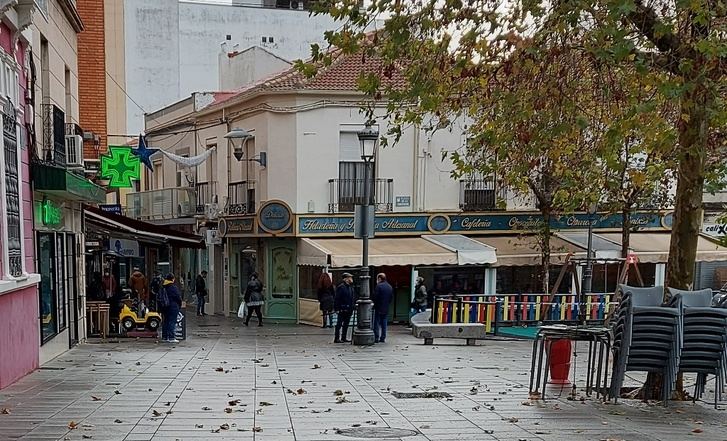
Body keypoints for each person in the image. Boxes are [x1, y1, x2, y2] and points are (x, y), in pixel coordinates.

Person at [160, 274, 182, 343]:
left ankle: (165, 337)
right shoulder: (173, 287)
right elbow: (178, 297)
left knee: (165, 321)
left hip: (164, 307)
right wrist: (179, 305)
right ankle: (171, 337)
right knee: (172, 321)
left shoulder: (163, 286)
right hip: (173, 306)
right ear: (172, 279)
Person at [372, 273, 393, 343]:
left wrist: (374, 304)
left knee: (377, 322)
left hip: (378, 307)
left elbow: (375, 297)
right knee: (384, 323)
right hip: (386, 307)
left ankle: (376, 337)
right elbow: (391, 298)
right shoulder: (389, 286)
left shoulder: (379, 286)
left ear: (379, 279)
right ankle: (383, 337)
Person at [334, 273, 355, 343]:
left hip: (349, 309)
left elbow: (352, 298)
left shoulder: (350, 287)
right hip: (342, 309)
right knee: (339, 324)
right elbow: (337, 299)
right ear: (345, 279)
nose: (351, 279)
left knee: (346, 324)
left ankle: (344, 337)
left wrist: (353, 307)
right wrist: (337, 309)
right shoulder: (341, 287)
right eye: (350, 277)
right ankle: (336, 338)